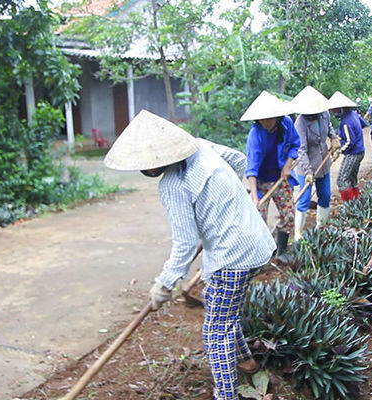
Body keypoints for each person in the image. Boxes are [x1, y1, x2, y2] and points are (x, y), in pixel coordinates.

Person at [103, 110, 275, 400]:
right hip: (256, 244)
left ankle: (227, 396)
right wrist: (230, 200)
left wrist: (164, 284)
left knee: (215, 334)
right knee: (223, 310)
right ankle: (248, 362)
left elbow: (184, 244)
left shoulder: (172, 184)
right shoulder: (201, 145)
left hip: (232, 259)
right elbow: (239, 161)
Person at [242, 90, 300, 261]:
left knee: (289, 214)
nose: (265, 122)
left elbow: (296, 145)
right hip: (260, 181)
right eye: (262, 118)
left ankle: (281, 250)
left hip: (281, 177)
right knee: (258, 218)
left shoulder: (287, 124)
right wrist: (254, 195)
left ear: (277, 116)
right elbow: (251, 167)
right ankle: (261, 256)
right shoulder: (255, 134)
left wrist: (288, 164)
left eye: (269, 118)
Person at [292, 86, 341, 240]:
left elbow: (330, 128)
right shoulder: (300, 123)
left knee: (325, 195)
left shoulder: (324, 114)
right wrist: (308, 171)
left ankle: (321, 228)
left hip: (323, 163)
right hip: (306, 166)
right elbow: (301, 150)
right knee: (304, 200)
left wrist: (333, 138)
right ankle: (298, 234)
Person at [329, 91, 365, 201]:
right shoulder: (353, 114)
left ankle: (349, 206)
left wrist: (339, 151)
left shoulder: (346, 122)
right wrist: (341, 137)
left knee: (342, 180)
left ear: (341, 108)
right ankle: (357, 202)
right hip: (360, 150)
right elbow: (363, 124)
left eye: (335, 109)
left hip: (354, 153)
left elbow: (350, 142)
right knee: (352, 179)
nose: (333, 112)